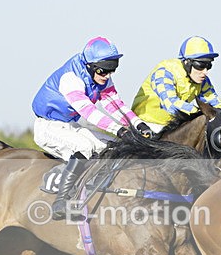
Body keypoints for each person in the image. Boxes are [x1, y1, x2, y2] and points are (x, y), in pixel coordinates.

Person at [32, 37, 153, 221]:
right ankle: (61, 202)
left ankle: (99, 191)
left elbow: (115, 104)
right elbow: (89, 112)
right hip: (47, 127)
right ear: (90, 66)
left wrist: (138, 124)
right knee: (85, 148)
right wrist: (119, 129)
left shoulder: (101, 77)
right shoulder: (71, 79)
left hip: (70, 126)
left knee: (113, 146)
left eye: (112, 70)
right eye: (103, 71)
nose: (107, 76)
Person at [131, 36, 221, 132]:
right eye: (201, 65)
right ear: (187, 62)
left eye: (209, 66)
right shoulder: (164, 73)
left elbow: (216, 104)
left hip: (169, 126)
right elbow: (171, 105)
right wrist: (201, 112)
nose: (205, 72)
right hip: (146, 124)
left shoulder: (202, 80)